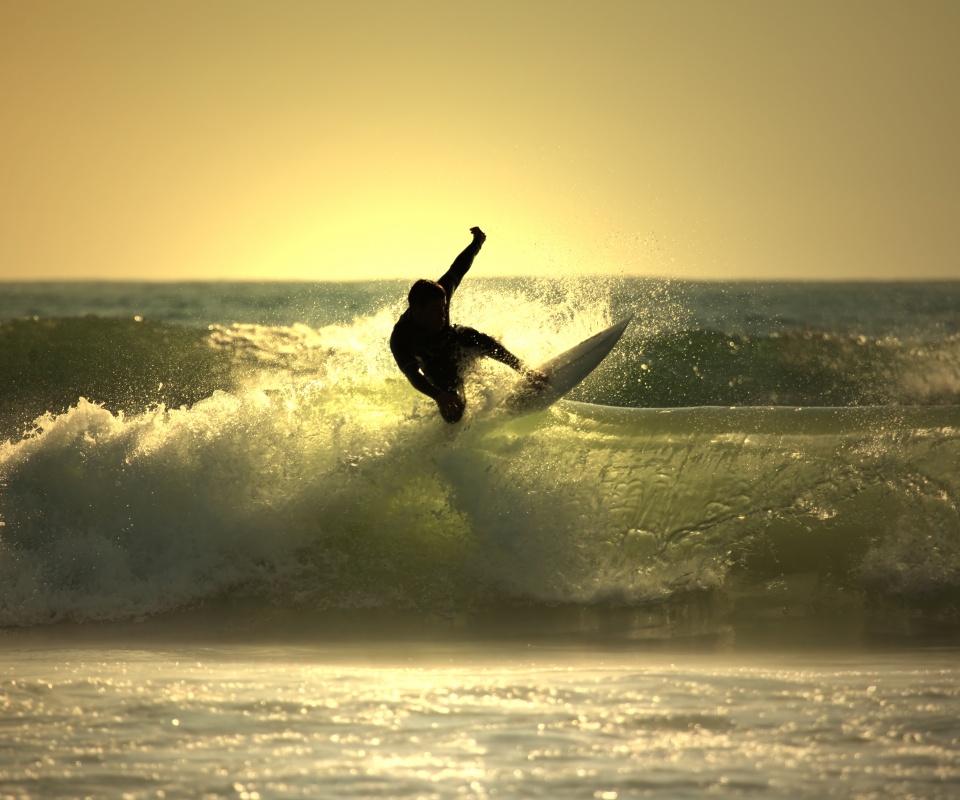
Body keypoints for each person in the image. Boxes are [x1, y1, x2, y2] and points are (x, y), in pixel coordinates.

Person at [390, 226, 543, 423]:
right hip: (435, 366)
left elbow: (458, 268)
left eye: (444, 308)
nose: (443, 314)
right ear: (419, 311)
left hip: (455, 342)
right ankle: (460, 432)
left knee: (469, 335)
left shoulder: (440, 292)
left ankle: (526, 372)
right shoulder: (401, 337)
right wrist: (439, 396)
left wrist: (477, 243)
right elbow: (413, 375)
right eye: (437, 311)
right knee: (454, 411)